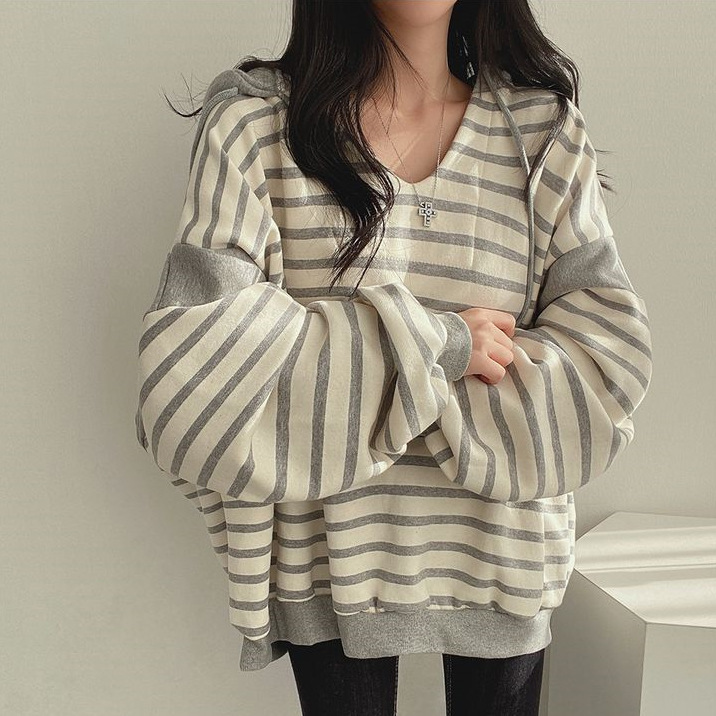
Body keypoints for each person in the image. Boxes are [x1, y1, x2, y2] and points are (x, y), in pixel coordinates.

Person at [134, 1, 653, 714]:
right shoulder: (256, 128)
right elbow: (193, 374)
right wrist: (444, 346)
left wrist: (348, 375)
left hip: (504, 553)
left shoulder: (543, 135)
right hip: (326, 559)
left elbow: (606, 362)